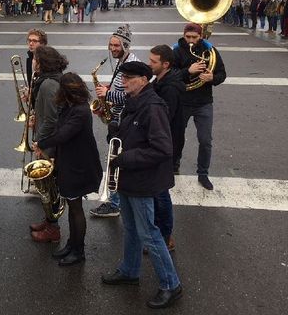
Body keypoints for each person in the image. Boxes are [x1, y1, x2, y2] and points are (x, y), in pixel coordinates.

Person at [100, 61, 182, 309]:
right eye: (123, 77)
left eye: (128, 78)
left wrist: (124, 159)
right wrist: (113, 126)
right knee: (132, 229)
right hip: (129, 177)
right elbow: (128, 135)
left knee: (149, 233)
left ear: (143, 80)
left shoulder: (152, 106)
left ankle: (171, 284)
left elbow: (162, 148)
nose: (123, 82)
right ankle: (129, 271)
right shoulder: (132, 102)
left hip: (143, 180)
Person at [33, 72, 102, 266]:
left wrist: (42, 142)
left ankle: (78, 250)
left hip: (79, 166)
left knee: (76, 209)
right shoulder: (70, 107)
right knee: (73, 208)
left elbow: (63, 134)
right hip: (70, 163)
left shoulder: (80, 111)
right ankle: (72, 244)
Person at [91, 24, 141, 218]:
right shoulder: (122, 62)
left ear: (125, 46)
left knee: (116, 160)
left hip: (124, 122)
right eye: (110, 45)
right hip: (118, 118)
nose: (112, 49)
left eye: (116, 46)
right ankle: (118, 199)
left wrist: (108, 93)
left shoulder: (130, 65)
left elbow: (133, 96)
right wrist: (108, 92)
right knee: (116, 160)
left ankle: (114, 203)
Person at [173, 23, 226, 190]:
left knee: (205, 140)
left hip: (204, 102)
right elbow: (171, 76)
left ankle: (203, 173)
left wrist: (212, 78)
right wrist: (189, 70)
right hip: (182, 101)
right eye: (188, 37)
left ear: (200, 36)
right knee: (177, 137)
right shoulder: (176, 51)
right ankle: (174, 164)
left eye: (194, 38)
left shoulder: (210, 51)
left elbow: (222, 73)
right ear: (183, 35)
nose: (190, 41)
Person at [29, 45, 68, 243]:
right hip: (49, 139)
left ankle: (53, 229)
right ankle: (48, 220)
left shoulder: (48, 84)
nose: (33, 61)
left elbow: (52, 119)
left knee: (50, 188)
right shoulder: (48, 80)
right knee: (49, 186)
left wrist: (39, 142)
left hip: (50, 143)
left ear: (42, 63)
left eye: (35, 59)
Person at [149, 45, 185, 251]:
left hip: (166, 145)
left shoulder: (170, 87)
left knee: (161, 192)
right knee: (157, 191)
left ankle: (165, 237)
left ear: (166, 64)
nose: (149, 64)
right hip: (163, 143)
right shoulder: (160, 80)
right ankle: (160, 233)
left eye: (153, 62)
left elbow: (164, 117)